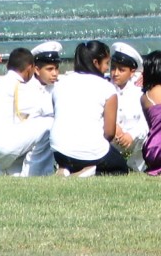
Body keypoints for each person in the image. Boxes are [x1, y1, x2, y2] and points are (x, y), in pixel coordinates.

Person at [50, 40, 128, 176]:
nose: (107, 68)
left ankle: (67, 169)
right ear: (96, 63)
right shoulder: (106, 88)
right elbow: (109, 132)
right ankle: (90, 170)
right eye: (106, 63)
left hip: (59, 152)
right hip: (90, 152)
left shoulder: (60, 83)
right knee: (120, 168)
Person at [0, 47, 54, 176]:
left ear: (7, 66)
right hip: (2, 145)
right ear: (30, 68)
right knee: (49, 123)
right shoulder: (20, 86)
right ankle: (36, 174)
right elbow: (44, 111)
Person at [110, 41, 149, 172]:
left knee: (148, 137)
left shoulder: (140, 91)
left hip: (134, 139)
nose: (115, 73)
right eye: (113, 68)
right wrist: (112, 126)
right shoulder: (104, 87)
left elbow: (145, 122)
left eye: (121, 70)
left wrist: (130, 135)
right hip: (111, 137)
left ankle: (135, 167)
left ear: (132, 72)